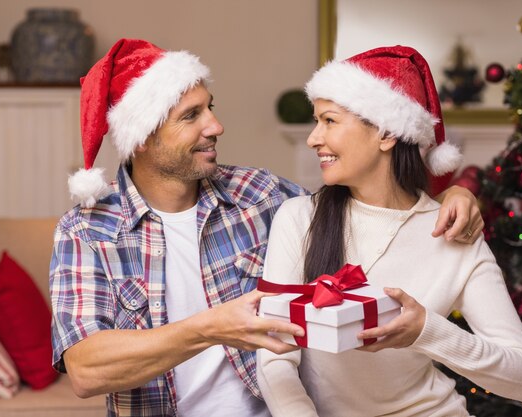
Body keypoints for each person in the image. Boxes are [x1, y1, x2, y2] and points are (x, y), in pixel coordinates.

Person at [50, 39, 484, 417]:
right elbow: (87, 370)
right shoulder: (88, 230)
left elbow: (369, 201)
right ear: (142, 136)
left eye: (210, 108)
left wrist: (451, 197)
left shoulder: (261, 194)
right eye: (191, 116)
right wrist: (208, 328)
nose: (215, 126)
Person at [257, 45, 522, 417]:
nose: (313, 138)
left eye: (329, 121)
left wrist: (428, 330)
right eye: (316, 121)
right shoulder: (298, 219)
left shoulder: (453, 234)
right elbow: (274, 355)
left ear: (387, 133)